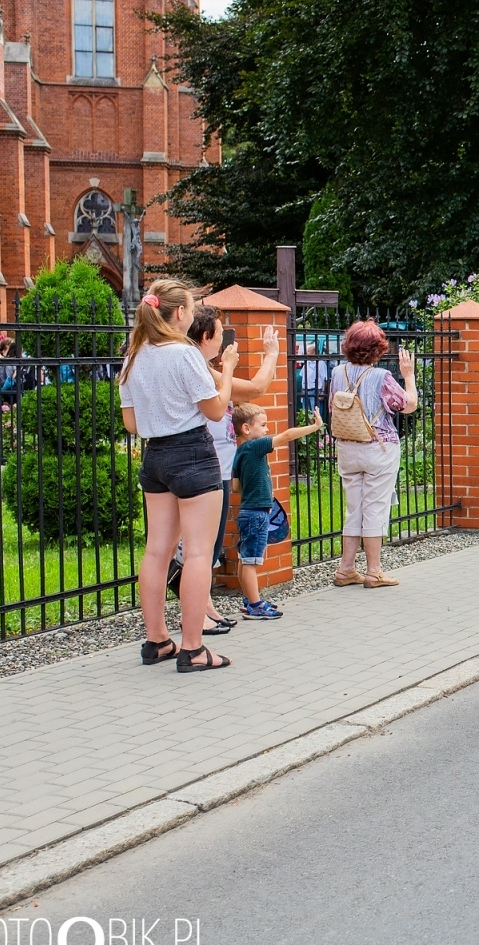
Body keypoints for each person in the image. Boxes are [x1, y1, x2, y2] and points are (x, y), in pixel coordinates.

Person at [118, 280, 236, 672]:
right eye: (190, 307)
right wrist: (229, 373)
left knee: (157, 550)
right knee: (199, 552)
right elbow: (216, 410)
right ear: (181, 313)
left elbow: (131, 424)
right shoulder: (184, 354)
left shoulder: (134, 356)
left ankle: (156, 641)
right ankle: (193, 648)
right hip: (192, 453)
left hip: (155, 458)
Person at [175, 305, 280, 634]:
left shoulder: (199, 366)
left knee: (207, 545)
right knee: (201, 547)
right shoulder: (201, 370)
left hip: (210, 467)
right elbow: (257, 389)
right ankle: (197, 614)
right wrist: (272, 353)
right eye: (220, 335)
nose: (223, 342)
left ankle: (205, 606)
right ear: (205, 336)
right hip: (208, 468)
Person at [328, 320, 418, 587]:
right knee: (375, 507)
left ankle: (346, 569)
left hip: (347, 446)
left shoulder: (338, 372)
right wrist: (409, 376)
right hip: (379, 448)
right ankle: (374, 571)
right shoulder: (381, 377)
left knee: (353, 508)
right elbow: (408, 405)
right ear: (378, 349)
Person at [228, 402, 324, 619]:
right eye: (263, 425)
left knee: (245, 558)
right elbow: (287, 435)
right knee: (252, 560)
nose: (267, 430)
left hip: (246, 511)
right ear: (246, 428)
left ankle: (249, 599)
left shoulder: (240, 451)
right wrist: (315, 427)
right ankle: (255, 605)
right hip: (258, 513)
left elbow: (235, 487)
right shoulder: (256, 446)